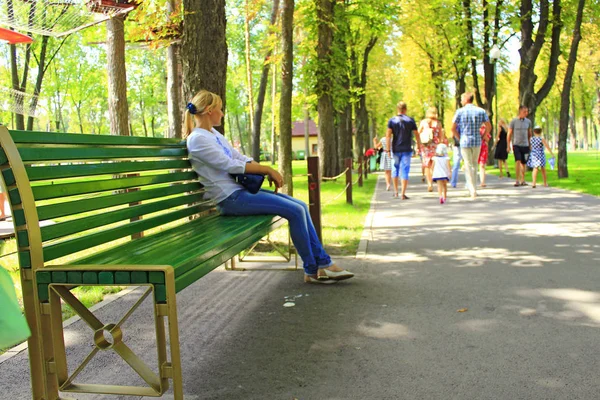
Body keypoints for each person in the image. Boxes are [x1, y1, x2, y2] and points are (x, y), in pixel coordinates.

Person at [183, 90, 353, 284]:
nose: (222, 114)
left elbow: (237, 157)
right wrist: (266, 169)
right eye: (220, 110)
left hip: (238, 194)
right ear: (209, 111)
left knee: (300, 206)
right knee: (295, 210)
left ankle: (320, 266)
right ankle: (317, 268)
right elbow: (228, 164)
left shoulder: (213, 134)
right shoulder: (197, 139)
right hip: (229, 199)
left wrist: (260, 168)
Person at [451, 92, 492, 199]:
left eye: (461, 99)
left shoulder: (460, 112)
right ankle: (474, 188)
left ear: (466, 99)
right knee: (474, 164)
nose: (460, 101)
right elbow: (489, 126)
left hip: (464, 141)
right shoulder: (481, 111)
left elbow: (453, 128)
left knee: (468, 165)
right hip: (477, 141)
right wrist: (483, 135)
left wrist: (459, 137)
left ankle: (472, 189)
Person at [386, 101, 421, 199]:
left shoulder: (392, 121)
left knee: (395, 169)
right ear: (405, 109)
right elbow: (416, 134)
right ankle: (403, 193)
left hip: (395, 149)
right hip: (406, 149)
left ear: (397, 109)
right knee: (405, 170)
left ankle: (396, 191)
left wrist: (388, 150)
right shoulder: (410, 120)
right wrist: (419, 146)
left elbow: (388, 136)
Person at [418, 107, 448, 192]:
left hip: (426, 145)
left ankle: (429, 183)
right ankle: (433, 177)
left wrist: (420, 141)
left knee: (427, 164)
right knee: (433, 163)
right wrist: (440, 143)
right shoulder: (438, 123)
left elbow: (418, 132)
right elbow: (441, 136)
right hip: (435, 145)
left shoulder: (424, 122)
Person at [507, 105, 532, 187]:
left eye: (527, 111)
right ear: (520, 111)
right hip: (516, 145)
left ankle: (523, 180)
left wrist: (530, 144)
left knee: (523, 163)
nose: (526, 113)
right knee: (518, 160)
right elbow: (509, 134)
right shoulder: (513, 121)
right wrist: (508, 145)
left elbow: (529, 134)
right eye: (524, 111)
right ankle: (517, 180)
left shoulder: (528, 122)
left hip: (525, 145)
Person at [478, 123, 492, 187]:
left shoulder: (485, 129)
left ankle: (482, 182)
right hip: (476, 147)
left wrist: (484, 134)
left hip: (483, 148)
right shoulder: (475, 129)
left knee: (482, 165)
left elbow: (487, 139)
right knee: (473, 165)